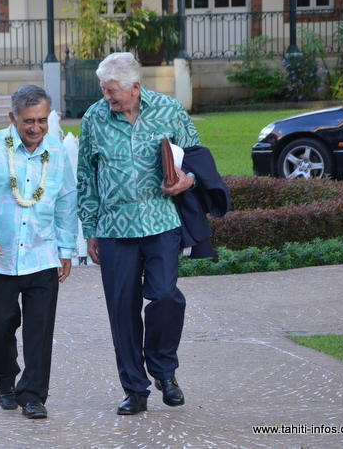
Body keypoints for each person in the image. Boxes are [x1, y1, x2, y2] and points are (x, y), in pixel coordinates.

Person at [77, 52, 199, 415]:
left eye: (112, 91)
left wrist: (186, 180)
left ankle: (164, 370)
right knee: (122, 310)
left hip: (161, 222)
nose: (107, 97)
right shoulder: (93, 118)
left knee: (164, 296)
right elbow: (85, 176)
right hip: (114, 229)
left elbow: (195, 156)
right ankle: (135, 388)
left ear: (134, 87)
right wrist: (90, 228)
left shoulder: (169, 109)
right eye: (103, 89)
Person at [0, 85, 78, 419]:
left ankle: (33, 396)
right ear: (12, 117)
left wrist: (67, 249)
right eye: (28, 120)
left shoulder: (56, 154)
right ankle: (5, 380)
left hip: (42, 256)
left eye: (42, 120)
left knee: (39, 330)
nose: (35, 128)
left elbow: (66, 204)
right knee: (0, 326)